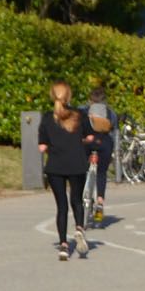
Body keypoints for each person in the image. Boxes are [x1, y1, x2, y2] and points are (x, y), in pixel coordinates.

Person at [37, 81, 89, 260]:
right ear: (69, 96)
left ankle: (64, 246)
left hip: (55, 166)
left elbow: (42, 147)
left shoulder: (47, 118)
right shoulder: (80, 115)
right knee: (77, 200)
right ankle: (79, 228)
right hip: (77, 163)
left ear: (52, 96)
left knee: (61, 206)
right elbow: (89, 136)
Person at [83, 87, 117, 223]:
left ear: (90, 100)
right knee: (101, 173)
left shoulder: (84, 111)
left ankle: (84, 193)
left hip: (88, 143)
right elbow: (114, 130)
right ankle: (100, 202)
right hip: (105, 144)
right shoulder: (110, 113)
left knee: (82, 168)